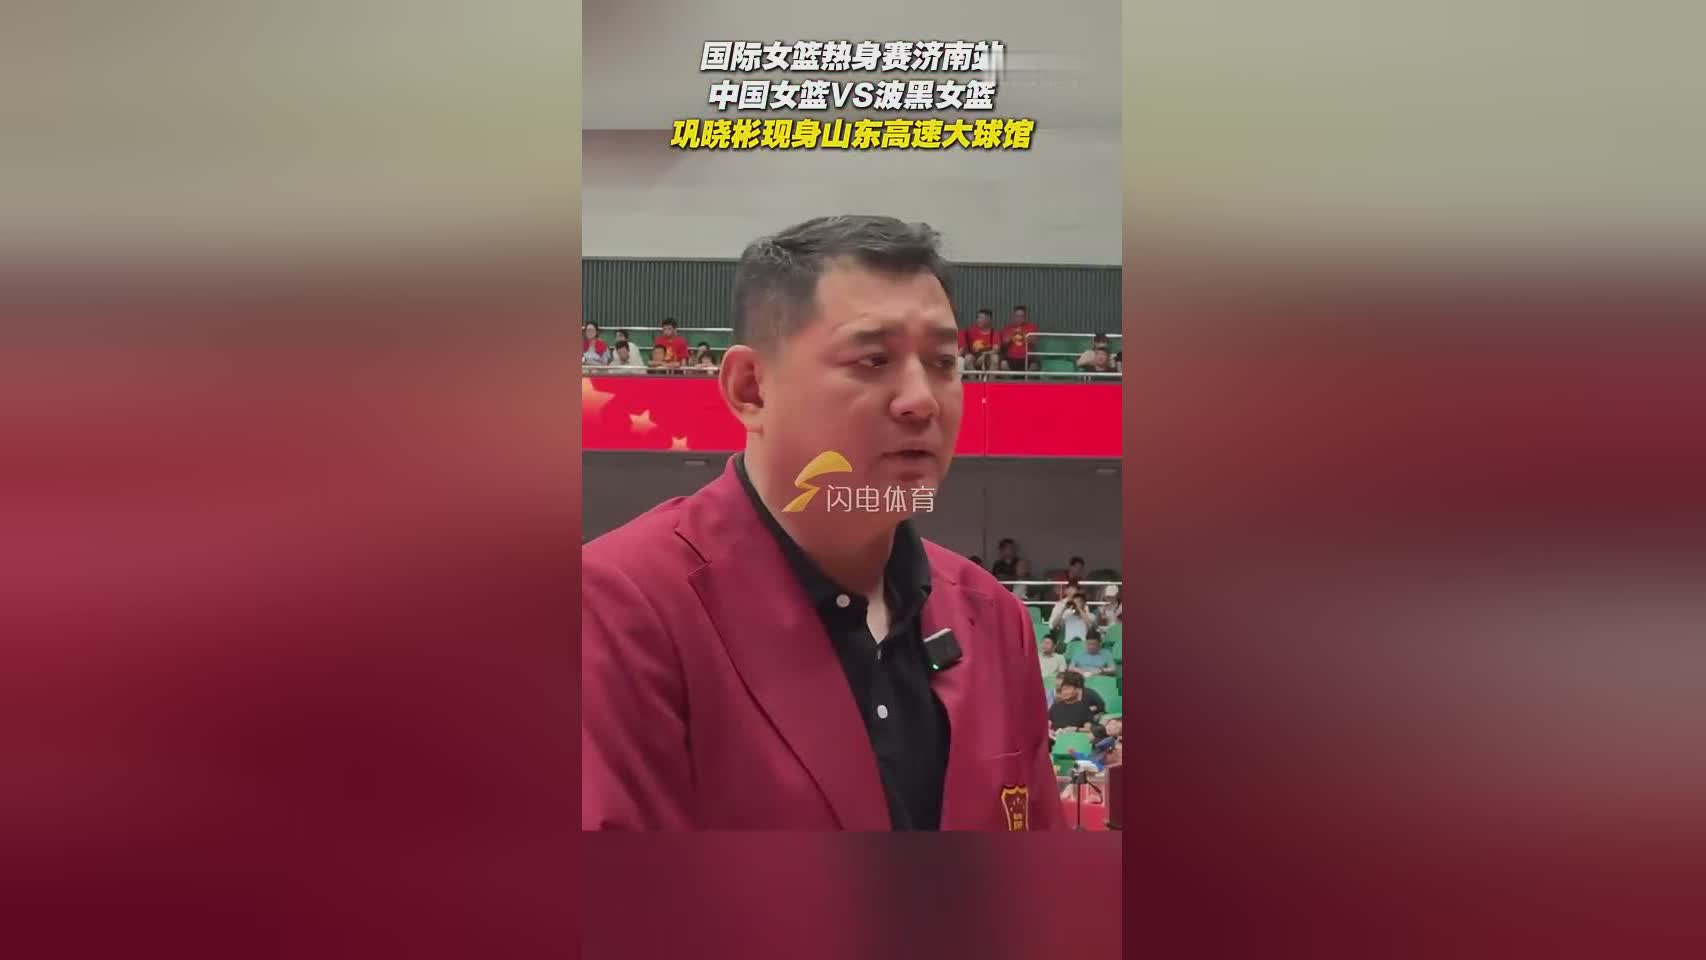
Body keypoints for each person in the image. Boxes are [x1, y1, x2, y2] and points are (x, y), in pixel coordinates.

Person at [583, 215, 1063, 831]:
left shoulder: (994, 618)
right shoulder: (622, 607)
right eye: (873, 359)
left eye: (945, 362)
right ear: (751, 388)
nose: (922, 399)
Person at [959, 308, 1000, 373]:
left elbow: (996, 350)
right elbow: (960, 337)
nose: (978, 320)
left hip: (987, 357)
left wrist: (985, 354)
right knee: (968, 358)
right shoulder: (970, 331)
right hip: (974, 357)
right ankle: (973, 379)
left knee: (995, 358)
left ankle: (991, 379)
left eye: (981, 318)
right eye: (977, 318)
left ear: (988, 319)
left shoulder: (994, 333)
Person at [997, 305, 1037, 372]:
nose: (1019, 318)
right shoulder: (1007, 328)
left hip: (1027, 357)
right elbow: (1004, 343)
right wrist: (1013, 333)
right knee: (1003, 364)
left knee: (1034, 366)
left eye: (1022, 316)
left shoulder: (1031, 327)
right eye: (1017, 316)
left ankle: (1027, 379)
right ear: (1014, 317)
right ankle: (1009, 379)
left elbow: (1034, 341)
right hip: (1010, 357)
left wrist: (1023, 333)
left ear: (1025, 317)